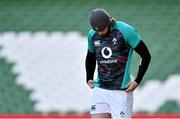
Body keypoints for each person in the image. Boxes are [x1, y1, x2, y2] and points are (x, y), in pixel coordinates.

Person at [85, 8, 151, 119]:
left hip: (121, 92)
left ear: (109, 23)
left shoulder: (125, 30)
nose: (100, 33)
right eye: (97, 31)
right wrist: (89, 77)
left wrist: (137, 80)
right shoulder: (92, 35)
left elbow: (145, 56)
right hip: (100, 89)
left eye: (102, 29)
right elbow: (90, 56)